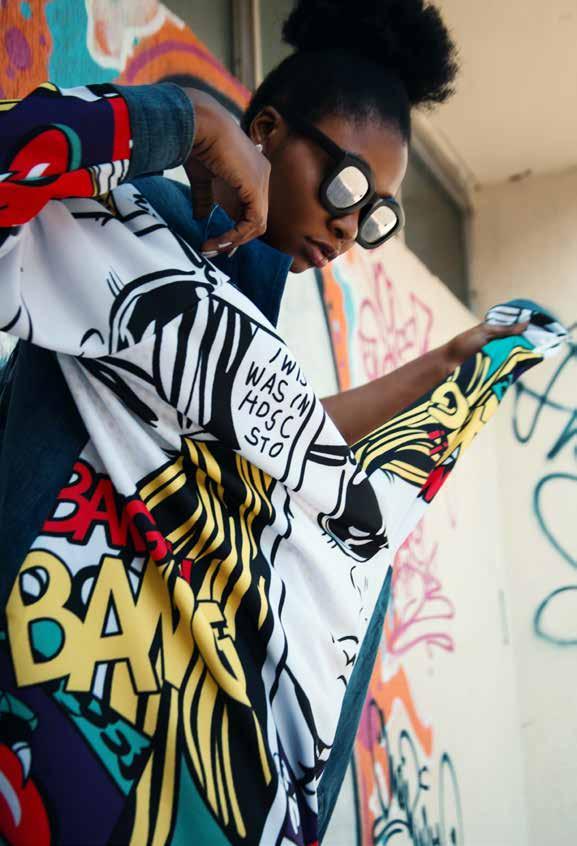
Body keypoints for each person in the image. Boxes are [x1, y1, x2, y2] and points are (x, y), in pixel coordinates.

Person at [0, 1, 561, 844]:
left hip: (175, 767)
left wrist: (449, 363)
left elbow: (285, 445)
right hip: (50, 700)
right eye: (345, 184)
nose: (349, 225)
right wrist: (188, 121)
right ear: (263, 131)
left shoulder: (240, 322)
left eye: (375, 213)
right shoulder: (129, 220)